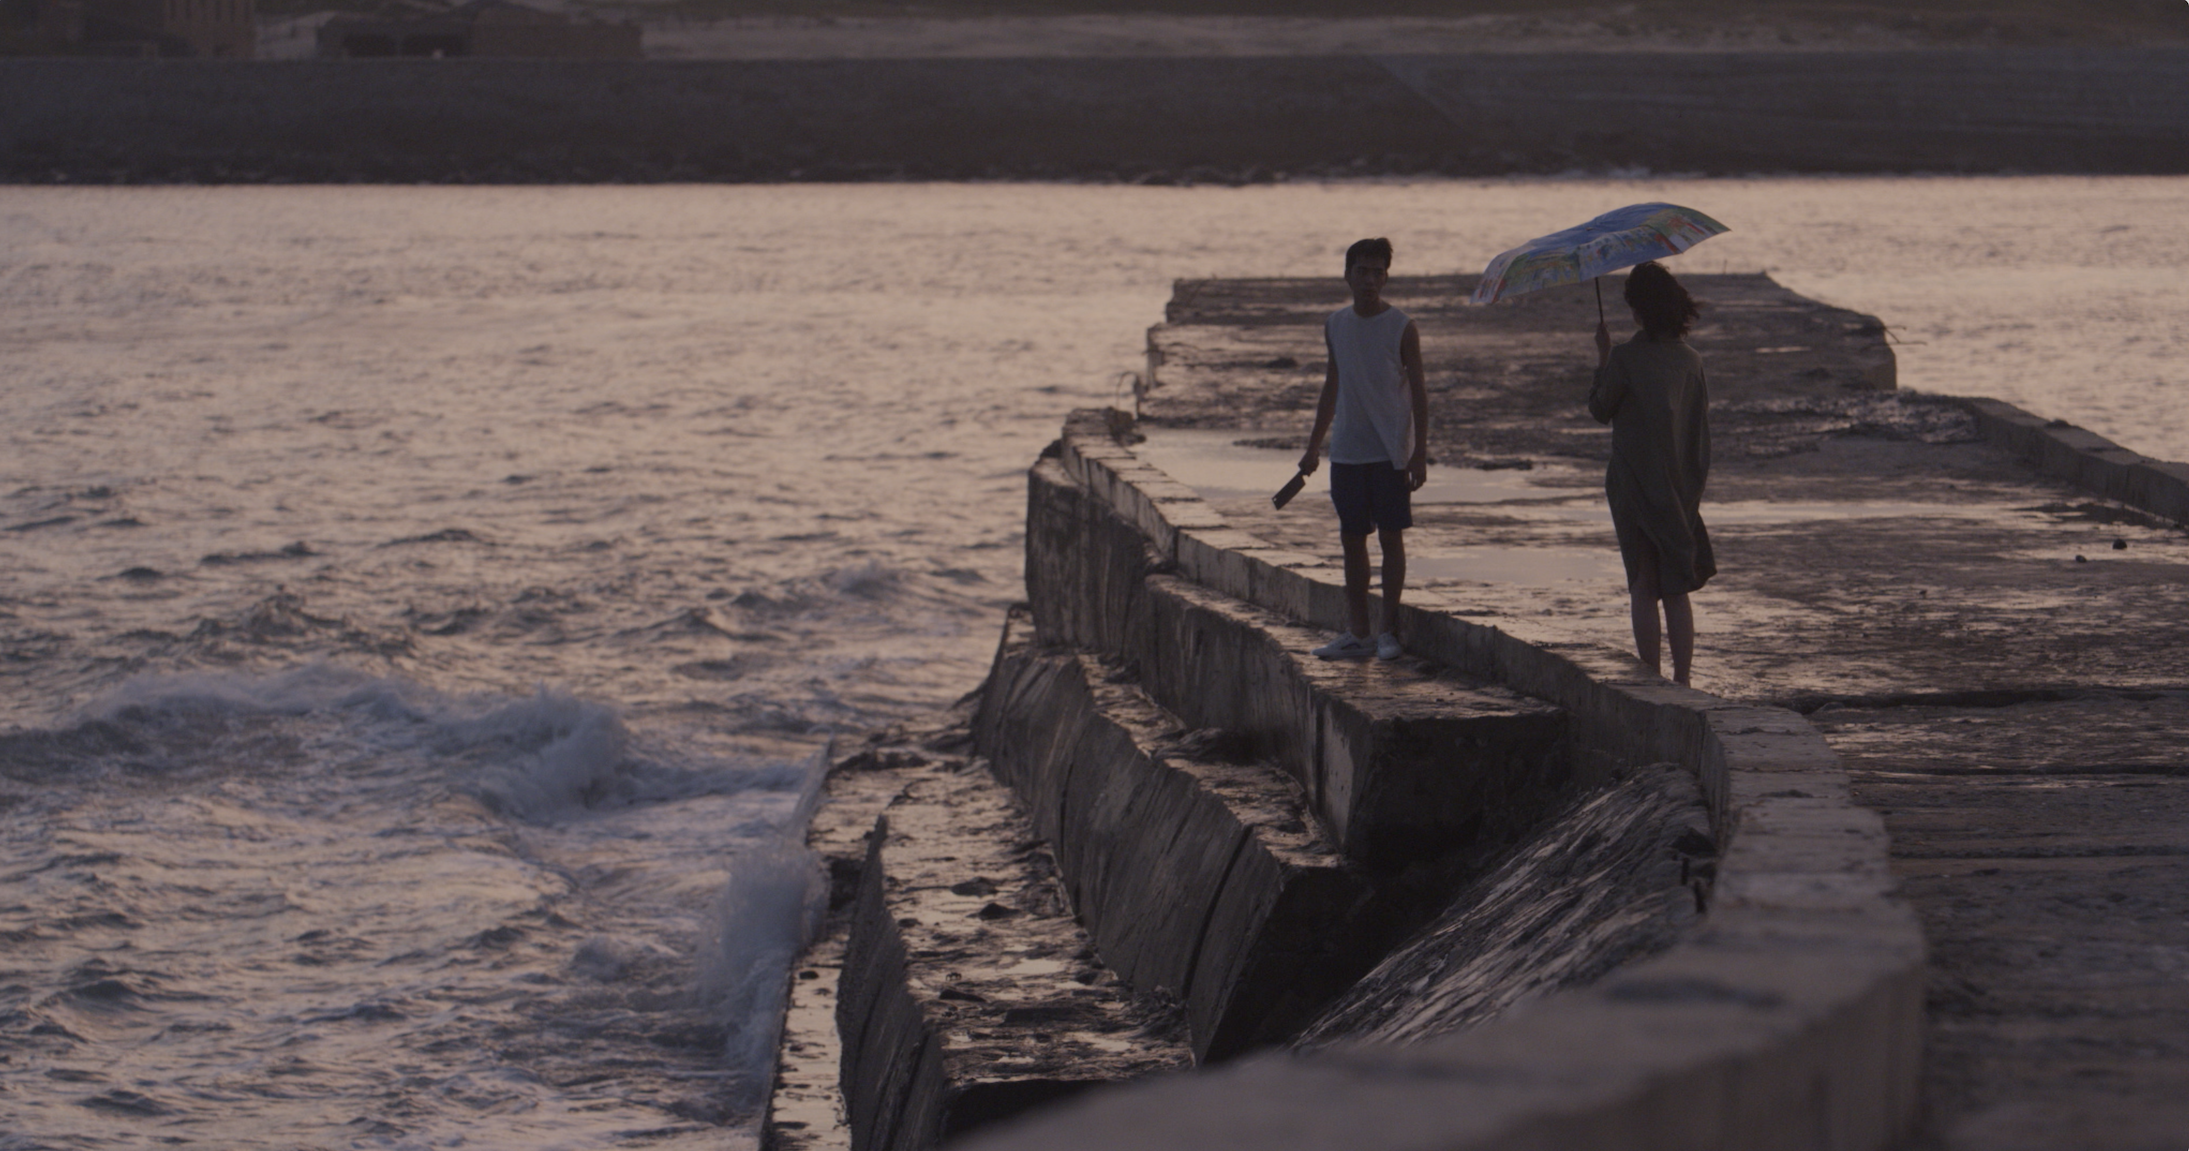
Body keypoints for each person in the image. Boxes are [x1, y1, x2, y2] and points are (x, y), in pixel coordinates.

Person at [1298, 237, 1429, 661]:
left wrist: (1419, 451)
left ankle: (1387, 630)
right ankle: (1358, 632)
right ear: (1347, 275)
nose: (1369, 279)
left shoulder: (1402, 326)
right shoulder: (1335, 324)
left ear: (1386, 277)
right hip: (1349, 449)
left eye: (1377, 272)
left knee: (1391, 538)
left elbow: (1421, 394)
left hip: (1390, 449)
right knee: (1352, 539)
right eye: (1362, 271)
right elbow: (1331, 385)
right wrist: (1313, 446)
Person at [1588, 260, 1714, 685]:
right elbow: (1700, 432)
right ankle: (1683, 680)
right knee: (1676, 588)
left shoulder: (1625, 358)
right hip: (1680, 487)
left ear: (1639, 310)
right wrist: (1691, 490)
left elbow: (1600, 409)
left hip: (1634, 485)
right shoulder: (1691, 361)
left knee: (1643, 583)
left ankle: (1651, 678)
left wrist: (1603, 356)